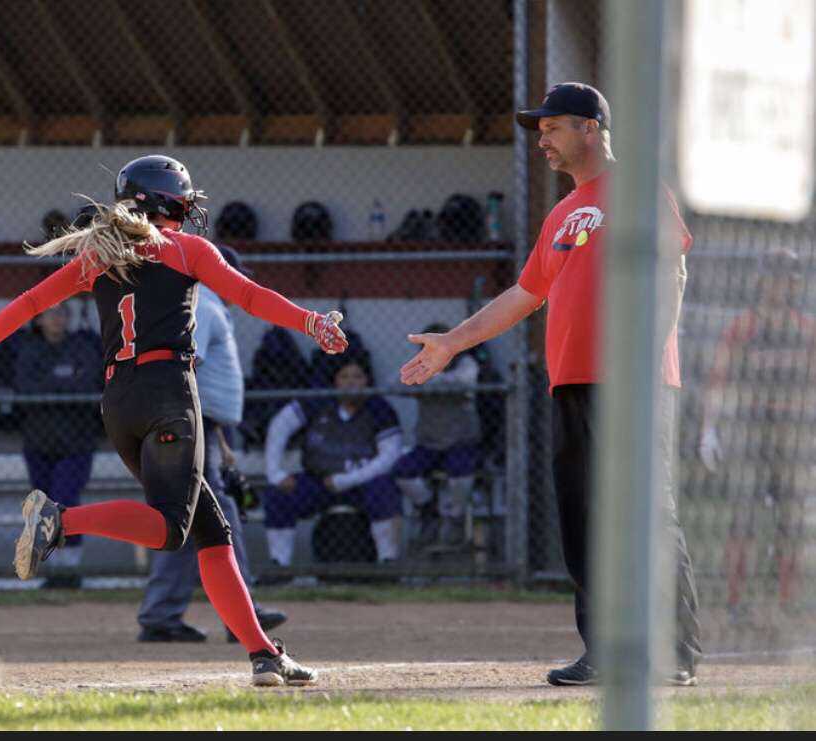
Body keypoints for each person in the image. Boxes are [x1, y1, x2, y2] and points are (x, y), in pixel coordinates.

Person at [0, 154, 347, 686]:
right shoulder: (186, 249)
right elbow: (248, 295)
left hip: (118, 402)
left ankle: (264, 655)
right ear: (167, 201)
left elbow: (29, 303)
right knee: (172, 528)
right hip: (168, 392)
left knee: (211, 531)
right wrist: (311, 321)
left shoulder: (97, 256)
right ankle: (62, 520)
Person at [401, 82, 701, 687]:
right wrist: (452, 343)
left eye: (554, 127)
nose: (543, 139)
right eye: (539, 130)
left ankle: (673, 654)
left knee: (647, 512)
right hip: (571, 381)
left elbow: (673, 269)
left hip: (635, 381)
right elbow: (524, 294)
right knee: (584, 518)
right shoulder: (562, 213)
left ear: (591, 128)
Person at [136, 244, 288, 643]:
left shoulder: (207, 307)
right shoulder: (202, 305)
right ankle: (241, 616)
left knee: (187, 521)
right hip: (191, 423)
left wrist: (217, 435)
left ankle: (163, 614)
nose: (241, 284)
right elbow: (185, 370)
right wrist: (197, 430)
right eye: (234, 275)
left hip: (203, 424)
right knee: (221, 517)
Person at [698, 248, 814, 624]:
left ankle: (788, 601)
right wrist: (709, 429)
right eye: (773, 277)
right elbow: (719, 377)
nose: (779, 285)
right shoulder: (744, 326)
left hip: (793, 431)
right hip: (751, 430)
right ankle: (735, 602)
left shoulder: (805, 329)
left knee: (792, 519)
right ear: (760, 281)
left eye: (787, 277)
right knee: (743, 518)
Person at [261, 352, 405, 572]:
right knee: (278, 495)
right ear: (335, 381)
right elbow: (280, 425)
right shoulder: (319, 401)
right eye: (344, 377)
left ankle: (388, 563)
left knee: (385, 490)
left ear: (367, 380)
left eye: (357, 376)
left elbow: (389, 457)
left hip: (362, 483)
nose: (351, 382)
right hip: (319, 481)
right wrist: (274, 473)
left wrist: (345, 480)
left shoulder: (379, 408)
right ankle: (280, 565)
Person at [13, 302, 103, 589]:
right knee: (42, 506)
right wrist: (64, 382)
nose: (57, 318)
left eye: (63, 312)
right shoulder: (29, 351)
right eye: (50, 313)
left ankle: (70, 569)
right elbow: (26, 388)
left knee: (64, 501)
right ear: (38, 320)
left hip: (76, 441)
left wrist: (51, 385)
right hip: (39, 442)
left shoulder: (82, 347)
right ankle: (54, 571)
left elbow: (89, 383)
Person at [393, 322, 482, 548]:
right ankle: (428, 509)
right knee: (403, 471)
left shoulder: (465, 363)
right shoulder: (420, 365)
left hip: (461, 442)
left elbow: (464, 382)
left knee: (462, 473)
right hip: (429, 444)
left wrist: (428, 380)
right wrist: (430, 379)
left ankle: (454, 518)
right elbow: (396, 384)